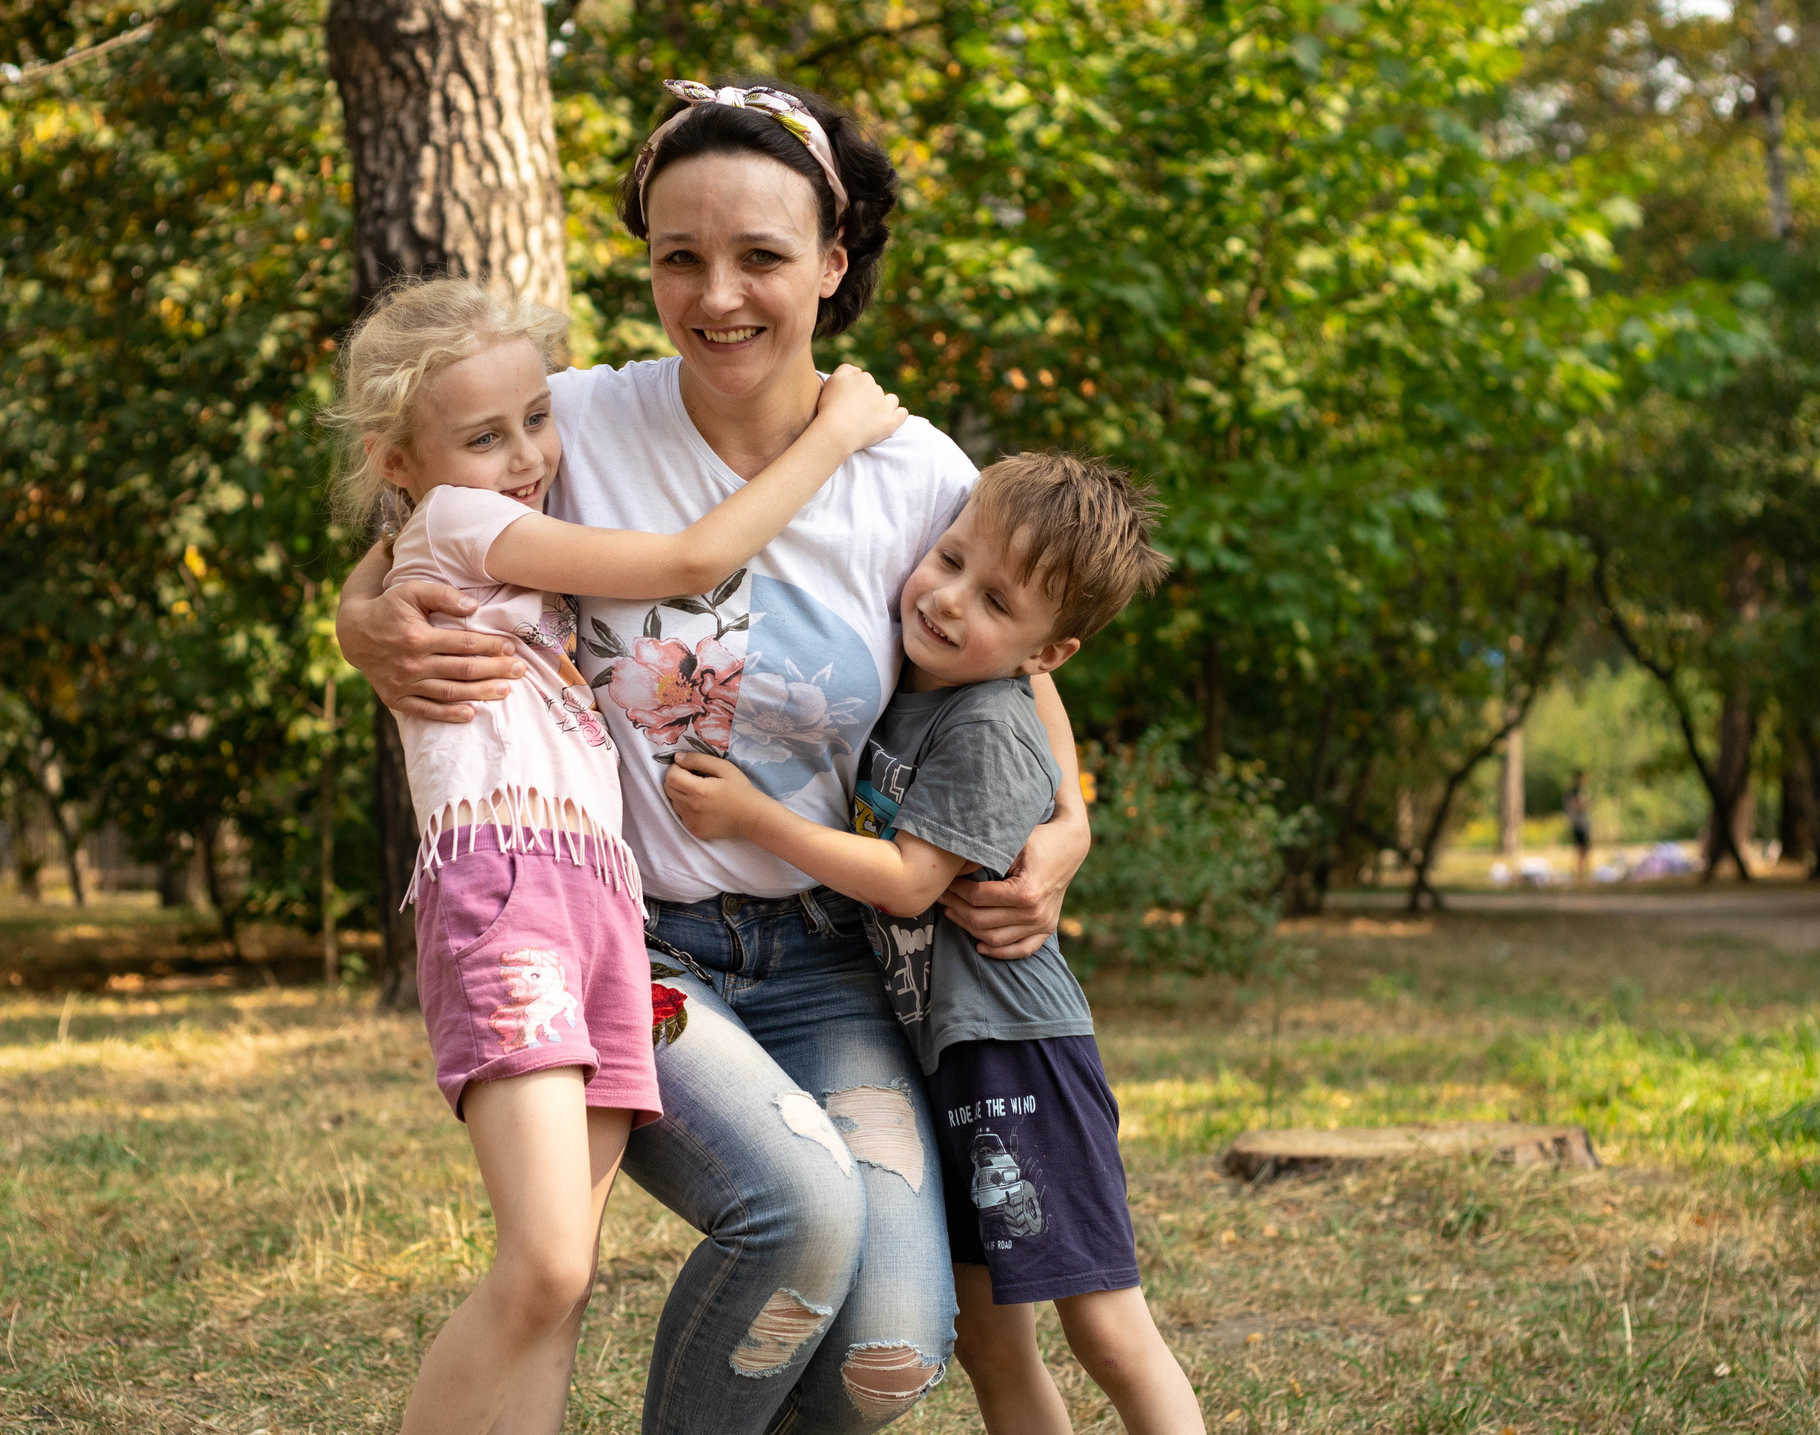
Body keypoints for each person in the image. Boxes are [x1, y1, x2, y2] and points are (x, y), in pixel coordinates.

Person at [335, 77, 1092, 1432]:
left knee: (896, 1341)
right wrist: (359, 621)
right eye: (678, 255)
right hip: (640, 938)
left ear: (834, 261)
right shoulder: (577, 420)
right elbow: (423, 511)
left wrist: (1068, 832)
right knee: (797, 1217)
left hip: (827, 953)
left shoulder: (915, 473)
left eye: (761, 255)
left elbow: (1021, 673)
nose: (717, 292)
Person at [328, 277, 909, 1434]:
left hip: (598, 899)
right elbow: (695, 562)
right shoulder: (455, 521)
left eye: (535, 421)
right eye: (483, 437)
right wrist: (837, 431)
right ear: (401, 461)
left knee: (568, 1281)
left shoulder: (486, 521)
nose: (528, 453)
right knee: (541, 1266)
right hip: (509, 888)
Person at [663, 453, 1201, 1435]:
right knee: (995, 1342)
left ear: (1049, 655)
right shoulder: (916, 678)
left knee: (1107, 1326)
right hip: (938, 1052)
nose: (948, 601)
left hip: (1016, 1054)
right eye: (948, 559)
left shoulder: (987, 722)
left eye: (994, 600)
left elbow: (912, 880)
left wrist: (751, 816)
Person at [1565, 769, 1593, 884]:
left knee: (1583, 849)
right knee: (1582, 849)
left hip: (1580, 823)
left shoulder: (1577, 790)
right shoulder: (1576, 791)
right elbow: (1578, 806)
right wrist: (1587, 805)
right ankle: (1580, 875)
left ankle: (1582, 873)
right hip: (1579, 824)